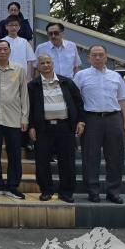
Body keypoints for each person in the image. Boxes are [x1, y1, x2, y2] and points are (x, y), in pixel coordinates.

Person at [73, 45, 125, 204]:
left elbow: (122, 100)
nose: (97, 57)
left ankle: (113, 192)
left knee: (116, 157)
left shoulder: (115, 76)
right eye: (94, 55)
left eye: (100, 54)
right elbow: (76, 101)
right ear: (88, 57)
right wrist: (79, 121)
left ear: (106, 56)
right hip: (91, 119)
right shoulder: (80, 76)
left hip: (114, 118)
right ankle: (93, 191)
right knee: (90, 156)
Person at [28, 54, 84, 203]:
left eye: (48, 62)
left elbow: (79, 102)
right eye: (42, 63)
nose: (46, 65)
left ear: (52, 64)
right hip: (43, 128)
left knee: (67, 161)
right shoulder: (33, 85)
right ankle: (46, 190)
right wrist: (31, 126)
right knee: (42, 161)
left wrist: (81, 121)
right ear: (38, 66)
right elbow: (29, 108)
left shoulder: (66, 82)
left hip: (65, 127)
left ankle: (66, 192)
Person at [0, 40, 29, 199]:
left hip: (14, 118)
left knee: (15, 154)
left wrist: (25, 117)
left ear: (10, 51)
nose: (2, 51)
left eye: (5, 49)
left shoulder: (19, 69)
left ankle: (12, 186)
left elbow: (24, 94)